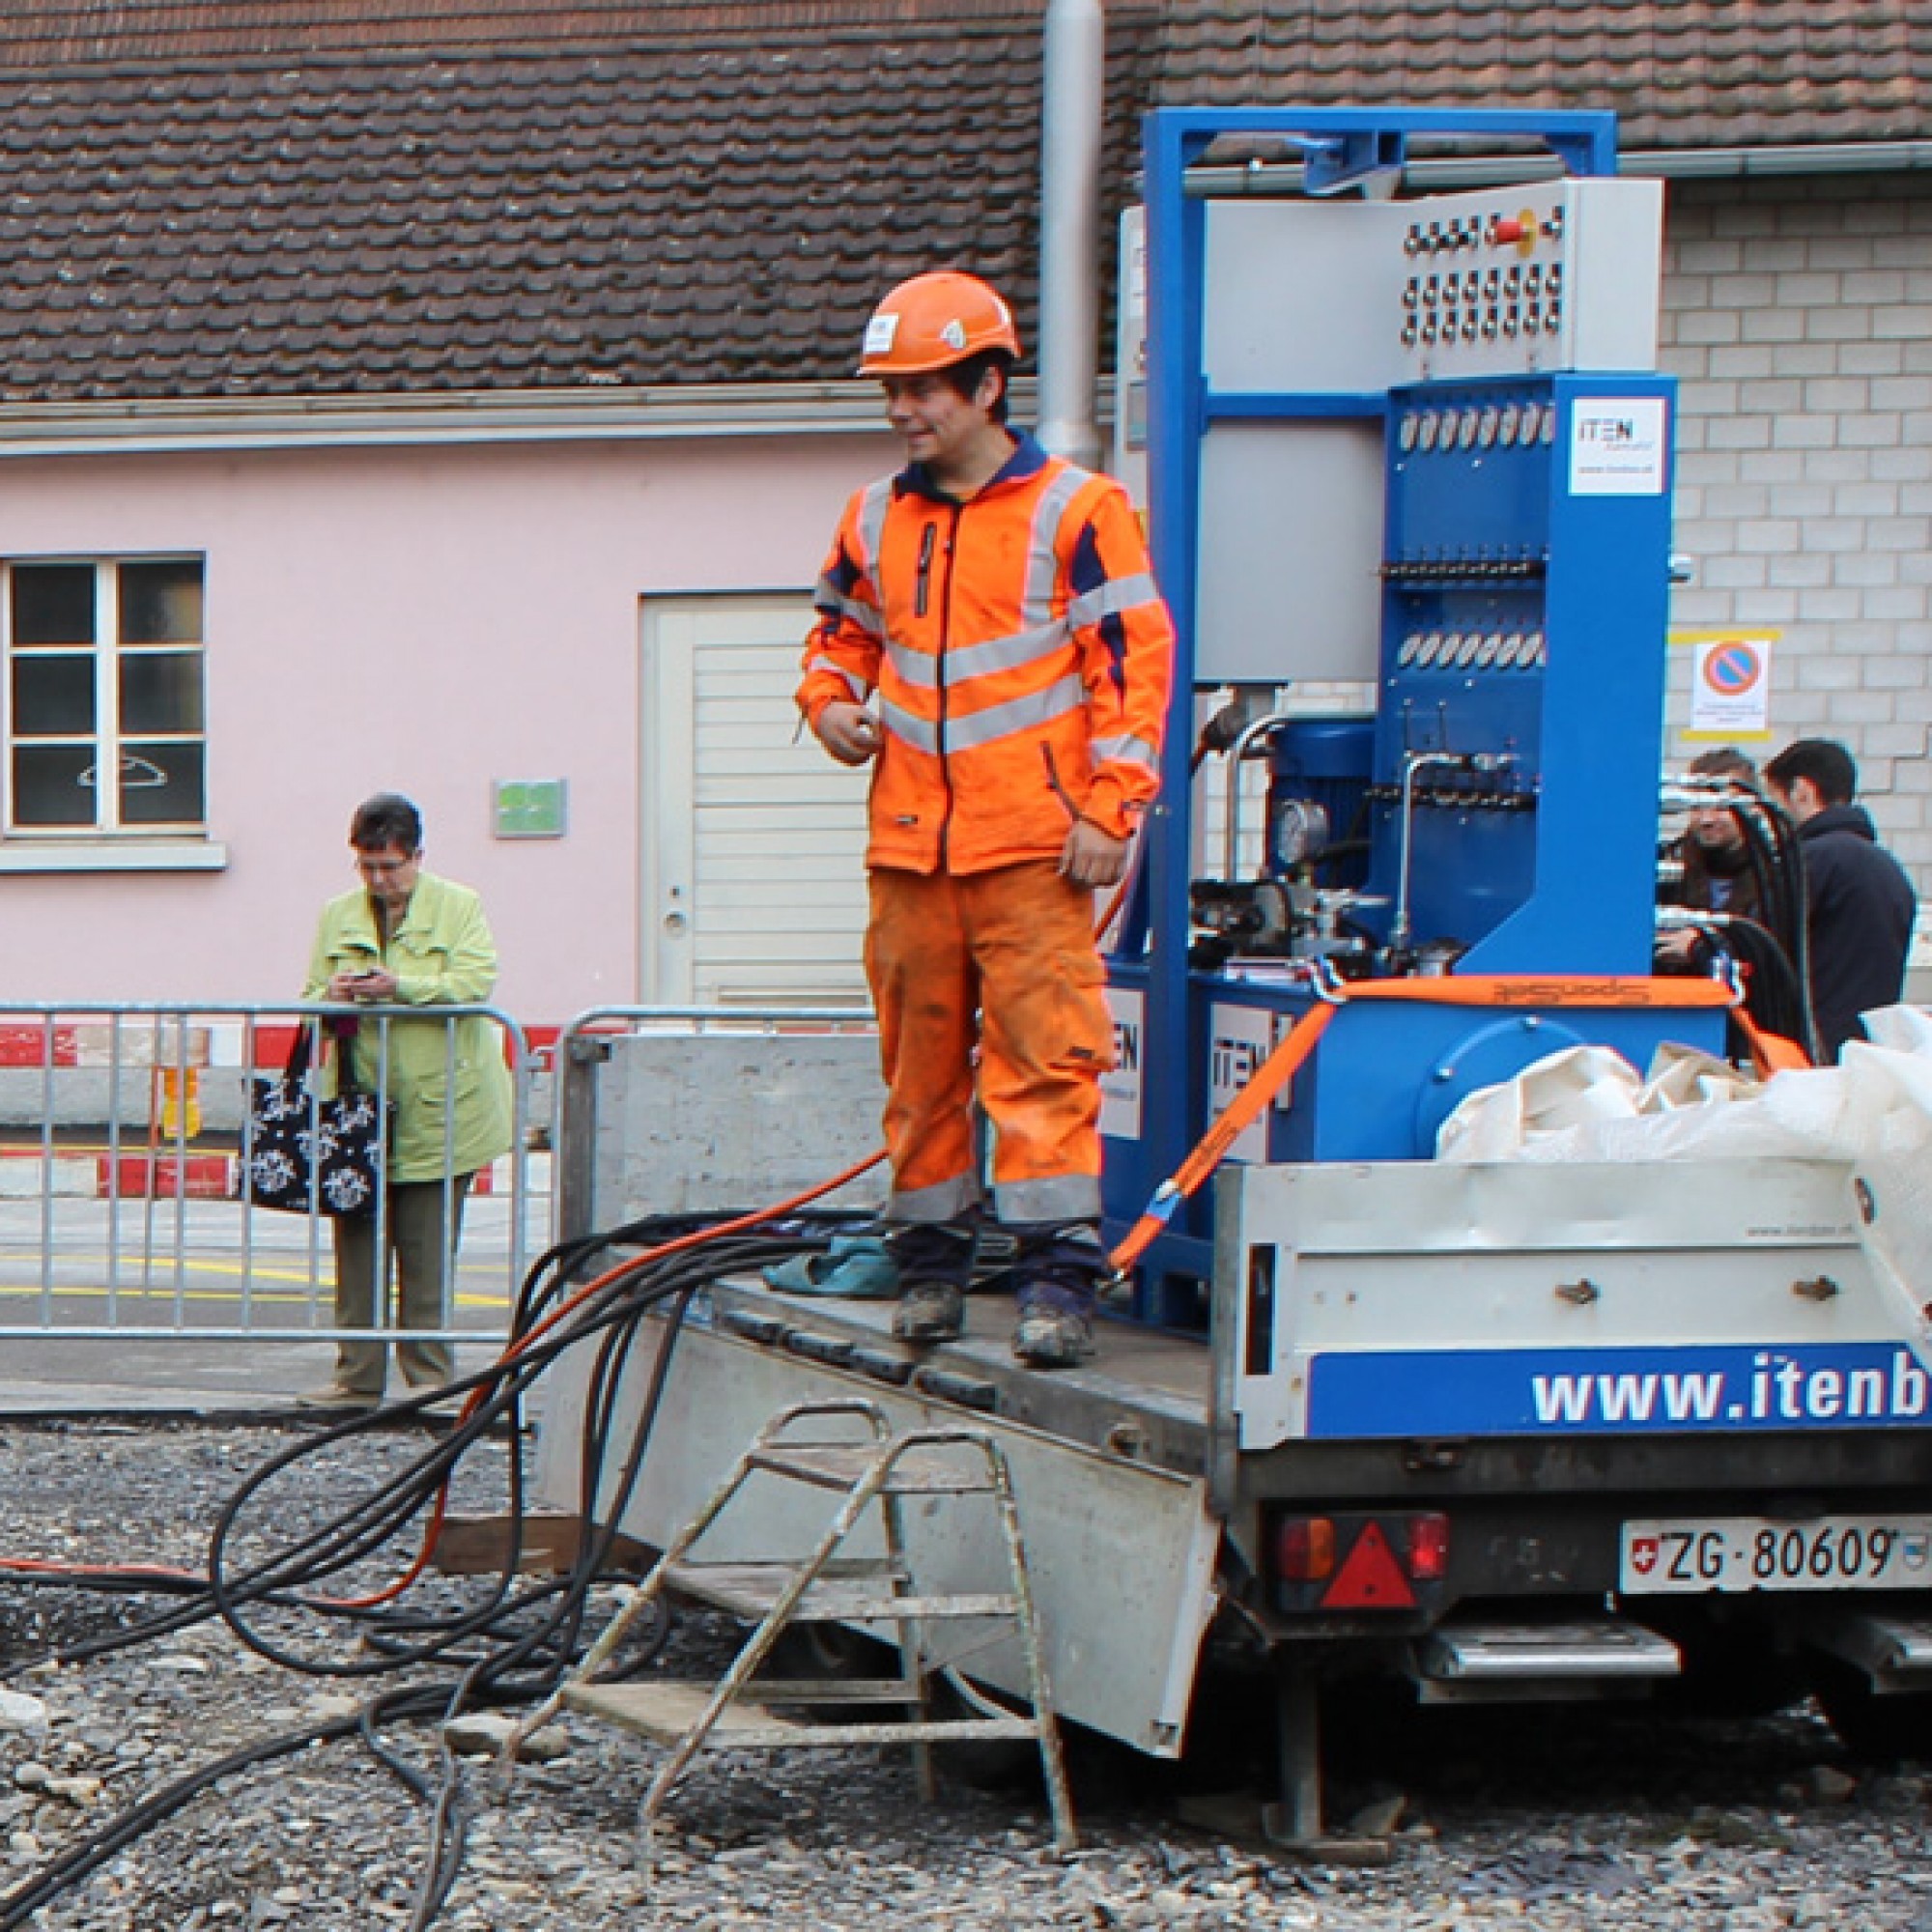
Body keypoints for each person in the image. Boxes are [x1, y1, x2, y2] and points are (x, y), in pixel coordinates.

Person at [797, 270, 1175, 1370]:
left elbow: (1132, 671)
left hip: (1033, 846)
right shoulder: (872, 514)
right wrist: (825, 701)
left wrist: (1112, 807)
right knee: (916, 1066)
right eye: (892, 392)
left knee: (1043, 1063)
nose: (904, 410)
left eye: (924, 389)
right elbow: (838, 633)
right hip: (912, 845)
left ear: (987, 383)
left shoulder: (1078, 510)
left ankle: (1056, 1280)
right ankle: (927, 1268)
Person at [297, 793, 514, 1407]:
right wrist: (333, 993)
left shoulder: (460, 906)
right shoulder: (338, 915)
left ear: (417, 857)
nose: (379, 880)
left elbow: (474, 982)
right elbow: (311, 994)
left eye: (390, 866)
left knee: (427, 1254)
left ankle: (430, 1382)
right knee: (357, 1250)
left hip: (444, 1110)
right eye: (367, 866)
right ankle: (356, 1378)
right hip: (358, 1112)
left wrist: (402, 988)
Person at [1762, 738, 1918, 1062]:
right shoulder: (1887, 867)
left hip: (1812, 1050)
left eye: (1776, 802)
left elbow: (1763, 941)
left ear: (1802, 791)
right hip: (1868, 1049)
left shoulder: (1811, 860)